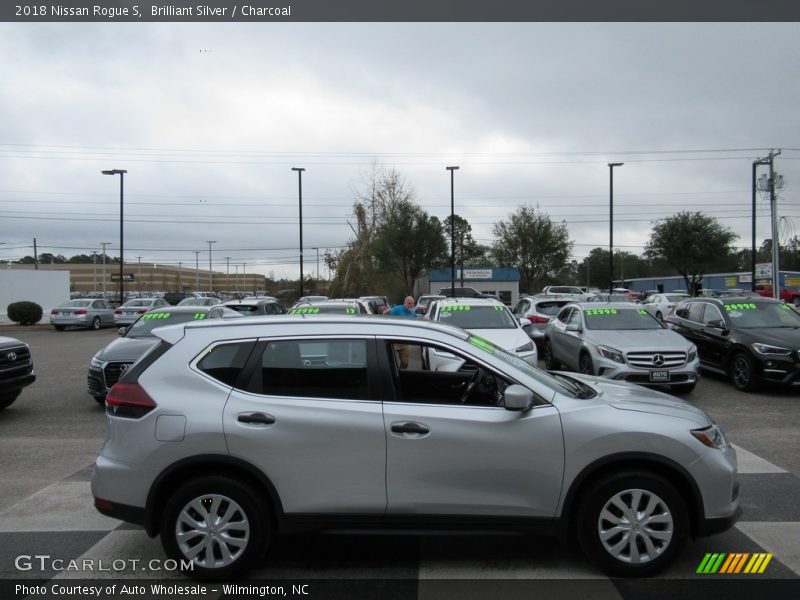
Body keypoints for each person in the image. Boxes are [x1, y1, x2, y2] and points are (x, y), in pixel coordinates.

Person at [389, 296, 416, 368]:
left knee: (405, 362)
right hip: (393, 339)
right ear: (405, 303)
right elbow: (388, 319)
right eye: (409, 303)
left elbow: (416, 322)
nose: (411, 305)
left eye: (412, 304)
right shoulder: (396, 309)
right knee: (390, 361)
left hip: (404, 340)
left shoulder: (413, 313)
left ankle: (401, 374)